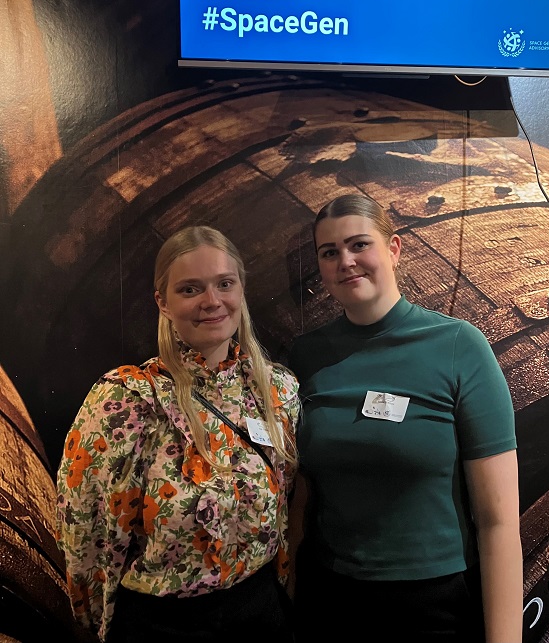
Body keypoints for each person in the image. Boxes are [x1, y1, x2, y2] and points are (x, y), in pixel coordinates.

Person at [287, 193, 522, 643]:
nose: (346, 261)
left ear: (393, 249)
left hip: (432, 605)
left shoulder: (458, 346)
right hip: (331, 598)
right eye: (329, 252)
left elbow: (498, 522)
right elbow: (299, 495)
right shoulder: (306, 356)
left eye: (359, 245)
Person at [55, 225, 300, 643]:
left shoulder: (277, 390)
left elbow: (283, 502)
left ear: (241, 289)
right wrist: (92, 619)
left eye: (225, 284)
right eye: (190, 289)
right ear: (163, 303)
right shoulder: (126, 400)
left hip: (260, 613)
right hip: (163, 624)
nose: (212, 301)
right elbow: (85, 530)